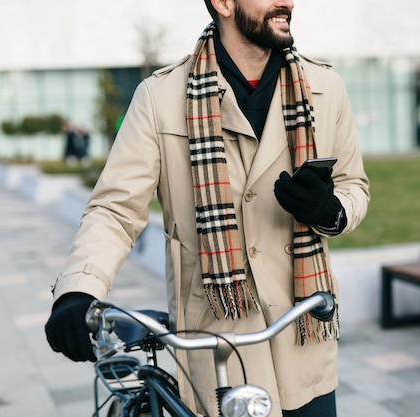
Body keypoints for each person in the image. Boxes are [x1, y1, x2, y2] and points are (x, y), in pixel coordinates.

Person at [44, 1, 370, 416]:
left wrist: (330, 209)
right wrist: (78, 289)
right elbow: (114, 210)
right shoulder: (160, 98)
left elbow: (354, 186)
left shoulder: (326, 88)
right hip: (218, 348)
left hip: (304, 341)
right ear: (223, 3)